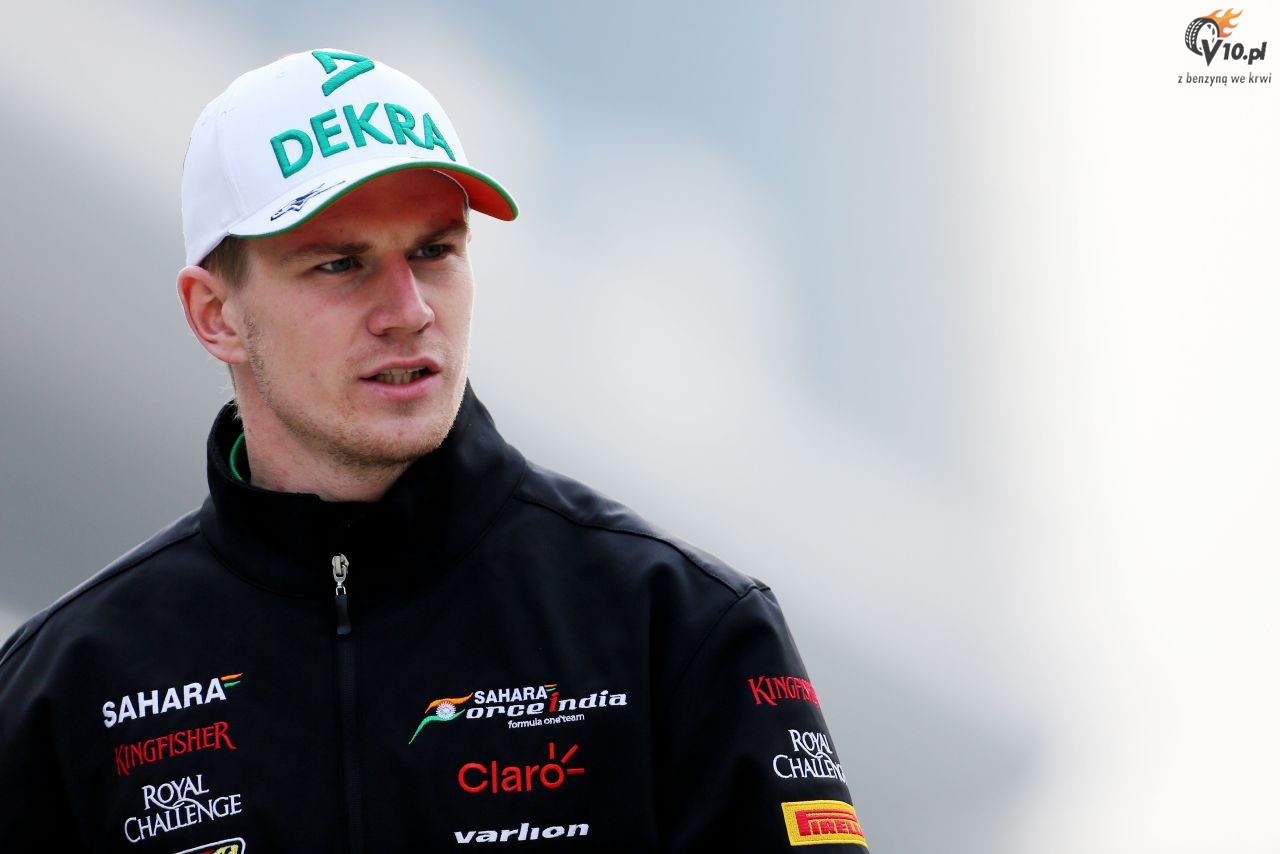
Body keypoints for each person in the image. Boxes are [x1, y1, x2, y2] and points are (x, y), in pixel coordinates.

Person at [0, 49, 868, 852]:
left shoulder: (679, 626)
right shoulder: (63, 689)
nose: (409, 310)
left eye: (434, 251)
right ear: (215, 315)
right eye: (340, 265)